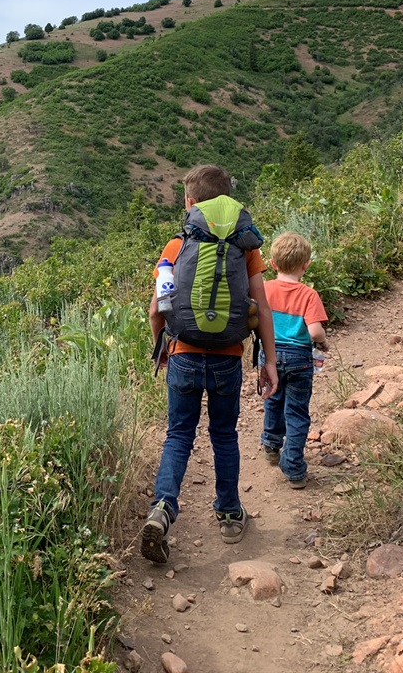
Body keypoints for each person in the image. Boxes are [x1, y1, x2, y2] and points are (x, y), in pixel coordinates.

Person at [139, 164, 279, 564]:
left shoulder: (174, 247)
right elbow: (262, 306)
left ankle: (163, 509)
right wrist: (268, 361)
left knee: (179, 435)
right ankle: (231, 514)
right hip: (227, 361)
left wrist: (160, 348)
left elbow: (156, 310)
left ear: (190, 203)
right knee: (223, 435)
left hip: (183, 353)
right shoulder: (246, 247)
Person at [259, 231, 328, 489]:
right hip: (299, 358)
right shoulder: (309, 295)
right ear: (306, 265)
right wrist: (322, 342)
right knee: (297, 413)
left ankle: (271, 444)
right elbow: (315, 331)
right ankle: (294, 469)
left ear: (273, 263)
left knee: (273, 399)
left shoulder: (264, 289)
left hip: (270, 355)